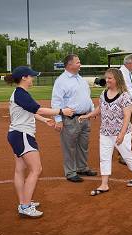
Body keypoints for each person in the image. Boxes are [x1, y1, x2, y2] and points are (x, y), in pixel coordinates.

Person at [5, 66, 74, 218]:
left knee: (20, 169)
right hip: (23, 135)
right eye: (31, 76)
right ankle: (25, 206)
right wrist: (62, 111)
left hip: (16, 134)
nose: (32, 78)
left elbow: (30, 112)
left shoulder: (18, 93)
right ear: (24, 77)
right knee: (36, 169)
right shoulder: (21, 94)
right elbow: (39, 109)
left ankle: (24, 201)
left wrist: (44, 121)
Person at [79, 68, 132, 196]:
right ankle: (104, 184)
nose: (107, 80)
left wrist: (122, 134)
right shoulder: (104, 93)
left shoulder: (124, 96)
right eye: (106, 78)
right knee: (104, 157)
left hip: (121, 132)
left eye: (110, 78)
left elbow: (127, 117)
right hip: (105, 132)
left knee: (126, 154)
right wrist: (88, 115)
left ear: (117, 79)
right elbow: (100, 108)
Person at [51, 54, 97, 183]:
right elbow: (56, 102)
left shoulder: (80, 79)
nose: (80, 64)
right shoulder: (61, 81)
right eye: (78, 62)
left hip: (84, 118)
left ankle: (82, 167)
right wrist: (58, 120)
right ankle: (70, 172)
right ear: (69, 65)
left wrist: (92, 111)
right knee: (69, 146)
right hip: (70, 119)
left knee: (83, 145)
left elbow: (87, 97)